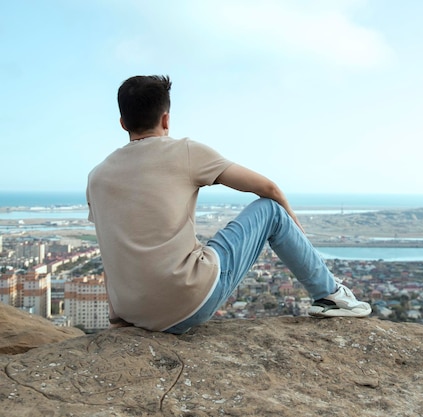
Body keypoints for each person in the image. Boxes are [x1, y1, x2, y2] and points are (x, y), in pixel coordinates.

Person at [86, 75, 371, 334]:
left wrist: (119, 318)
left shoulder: (96, 177)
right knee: (270, 210)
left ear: (123, 123)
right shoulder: (184, 151)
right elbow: (268, 188)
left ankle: (332, 295)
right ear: (166, 120)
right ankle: (331, 295)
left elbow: (110, 247)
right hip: (188, 304)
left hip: (133, 314)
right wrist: (294, 224)